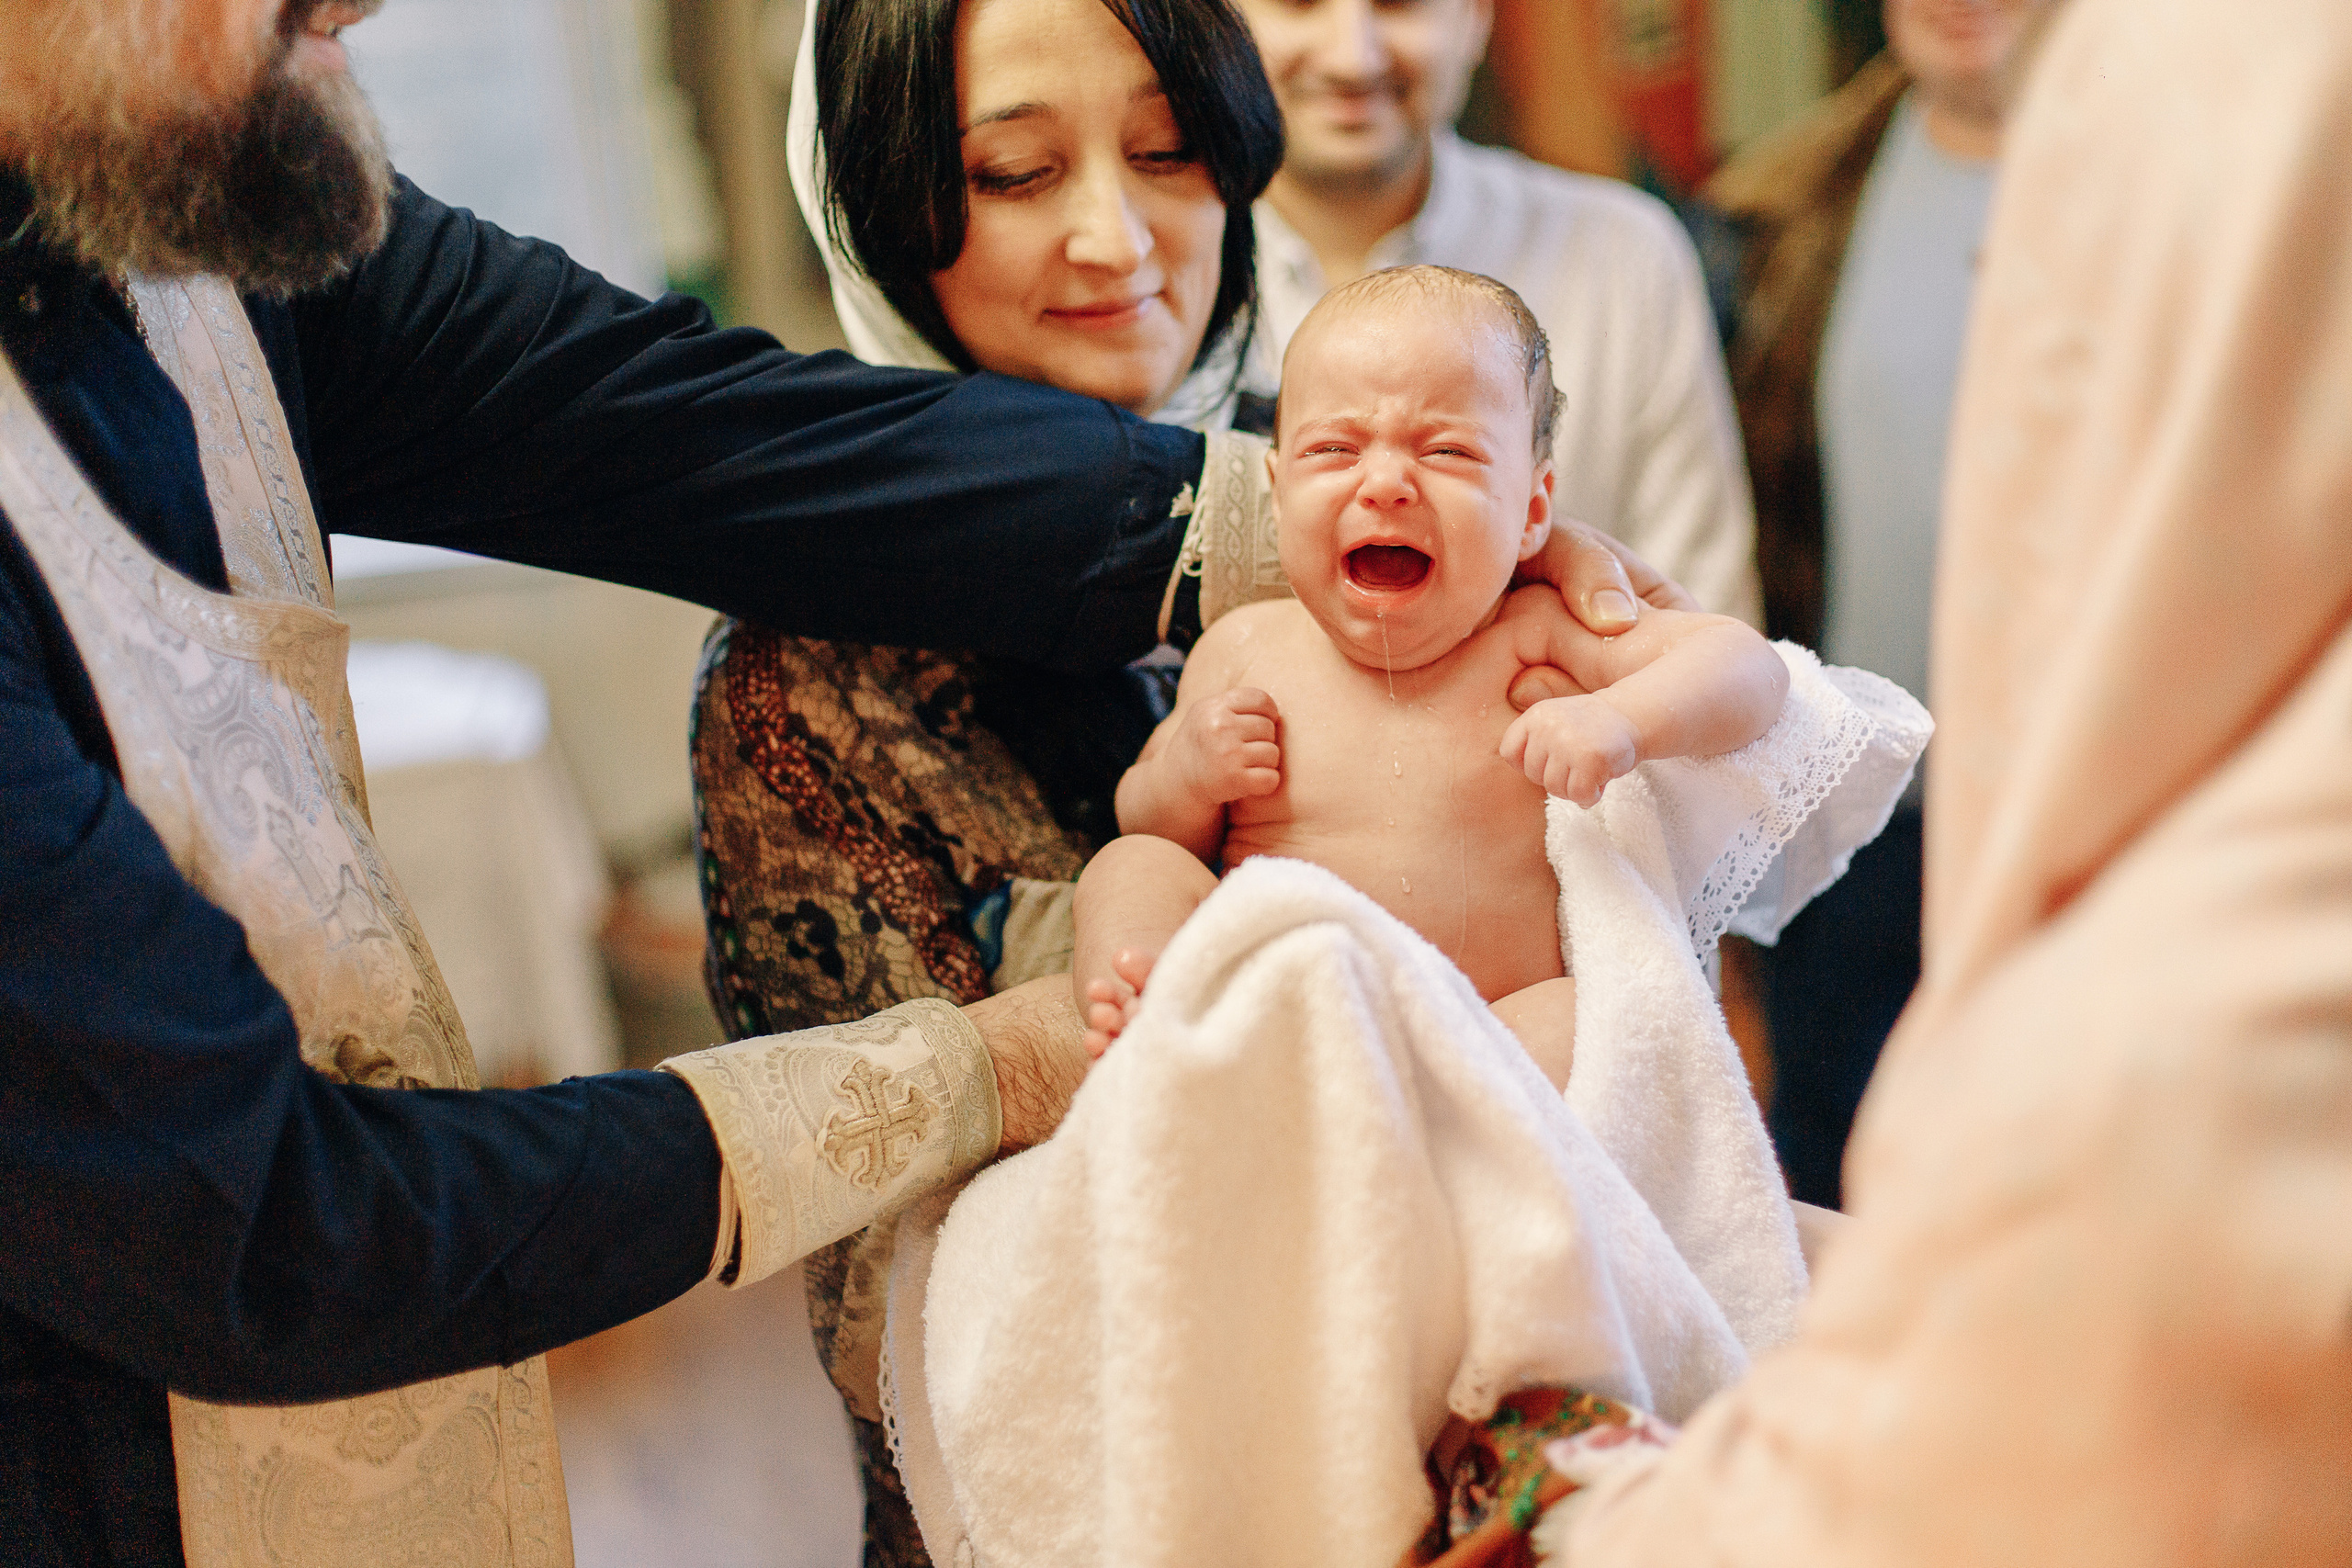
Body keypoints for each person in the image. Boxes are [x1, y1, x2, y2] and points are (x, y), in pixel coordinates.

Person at [0, 0, 1668, 1562]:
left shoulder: (183, 177)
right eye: (1015, 168)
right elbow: (265, 1224)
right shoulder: (808, 697)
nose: (361, 3)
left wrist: (1344, 532)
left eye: (1168, 151)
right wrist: (993, 1063)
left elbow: (665, 426)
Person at [1073, 267, 1788, 1079]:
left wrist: (1621, 722)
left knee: (1582, 1019)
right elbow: (1152, 821)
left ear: (1533, 510)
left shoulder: (1537, 638)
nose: (1383, 485)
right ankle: (1153, 1015)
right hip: (1281, 1030)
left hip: (1487, 1046)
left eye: (1447, 451)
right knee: (1129, 868)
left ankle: (1483, 1172)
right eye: (1333, 449)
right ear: (1276, 497)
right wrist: (1190, 774)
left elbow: (1751, 671)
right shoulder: (1244, 648)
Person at [1702, 0, 2036, 1205]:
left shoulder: (2204, 194)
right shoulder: (1785, 206)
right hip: (1857, 816)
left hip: (2102, 816)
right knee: (1840, 1191)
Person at [1229, 0, 1762, 619]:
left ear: (1476, 17)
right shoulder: (1148, 271)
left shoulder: (1622, 258)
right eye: (1298, 3)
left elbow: (1706, 620)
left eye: (1400, 5)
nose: (1353, 55)